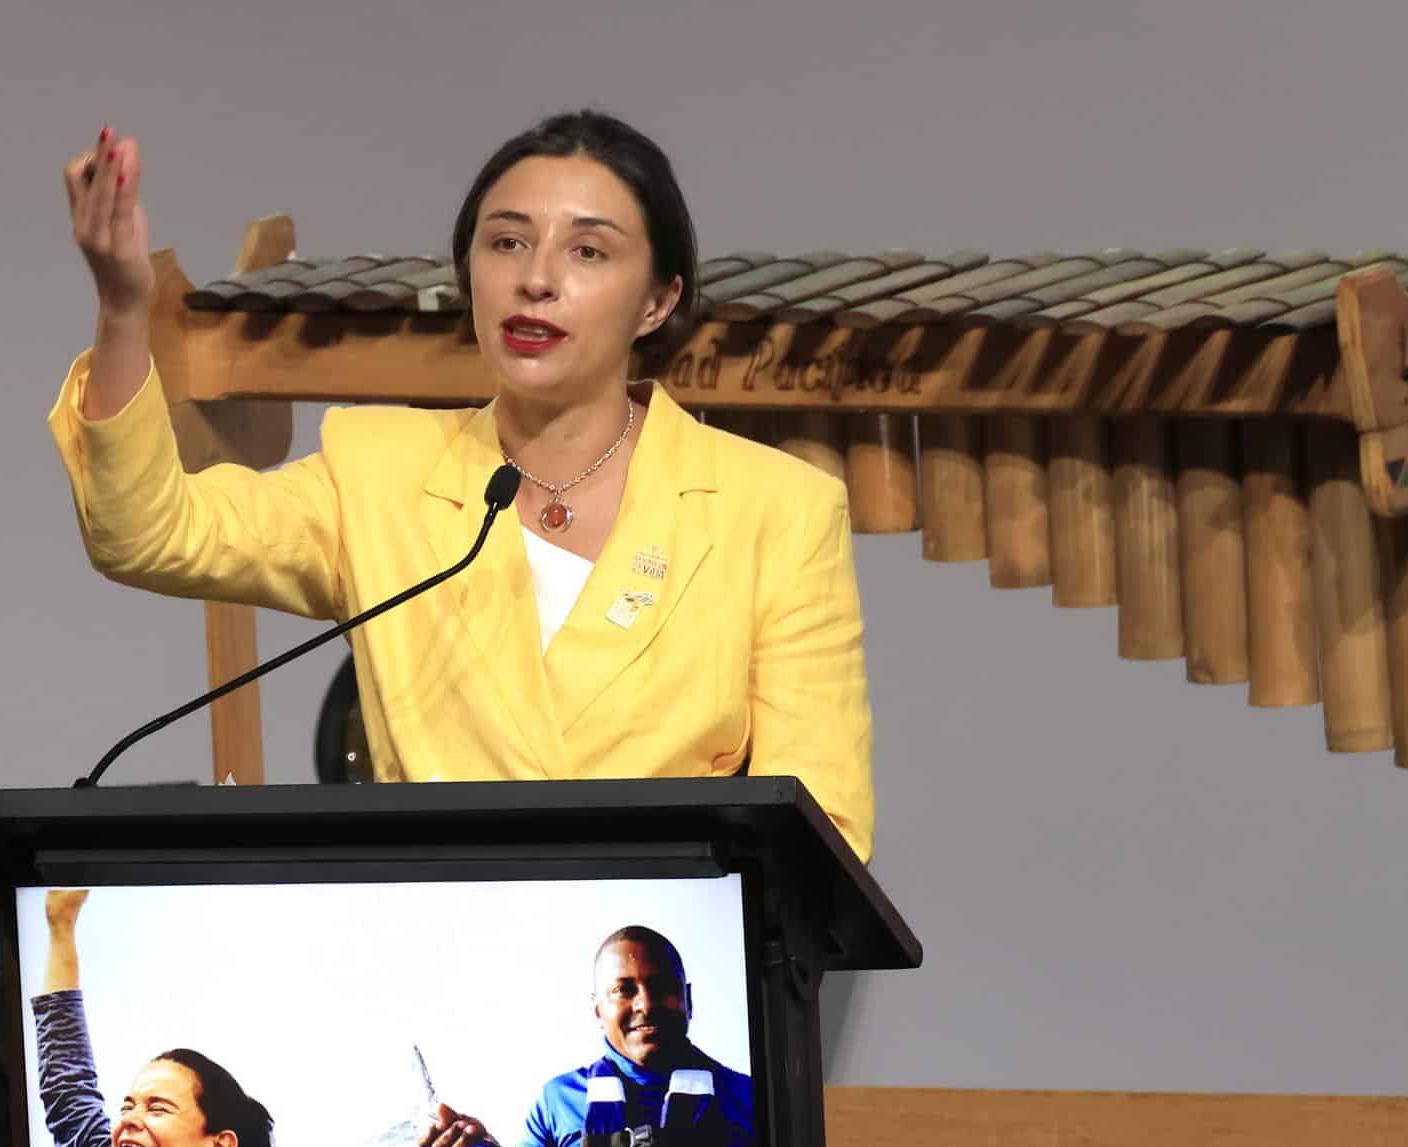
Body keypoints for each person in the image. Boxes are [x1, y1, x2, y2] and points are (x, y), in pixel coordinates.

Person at [51, 110, 874, 858]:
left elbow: (826, 827)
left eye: (588, 250)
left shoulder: (778, 511)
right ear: (470, 273)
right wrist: (127, 308)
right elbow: (147, 533)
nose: (536, 279)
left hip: (649, 970)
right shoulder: (380, 471)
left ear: (658, 302)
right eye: (507, 242)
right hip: (439, 961)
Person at [419, 925, 756, 1147]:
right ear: (598, 1009)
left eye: (663, 987)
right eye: (623, 991)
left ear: (688, 998)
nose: (646, 1004)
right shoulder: (558, 1100)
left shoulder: (753, 1098)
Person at [31, 889, 273, 1147]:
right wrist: (61, 927)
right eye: (128, 1106)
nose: (130, 1120)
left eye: (157, 1108)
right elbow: (67, 1088)